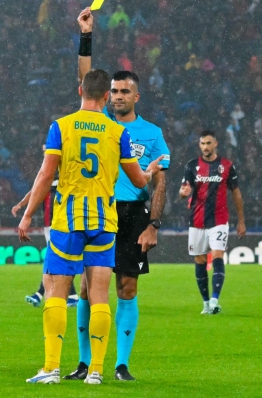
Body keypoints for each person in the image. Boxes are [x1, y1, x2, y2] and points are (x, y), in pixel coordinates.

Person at [19, 68, 162, 385]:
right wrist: (150, 172)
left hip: (68, 219)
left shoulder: (63, 127)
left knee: (56, 288)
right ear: (106, 96)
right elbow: (138, 181)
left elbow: (45, 175)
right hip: (104, 221)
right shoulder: (117, 132)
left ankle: (51, 368)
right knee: (99, 294)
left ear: (79, 89)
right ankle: (96, 371)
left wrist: (27, 214)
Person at [65, 8, 171, 382]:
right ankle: (83, 362)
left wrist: (154, 225)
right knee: (86, 286)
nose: (118, 96)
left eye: (125, 91)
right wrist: (86, 37)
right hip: (99, 210)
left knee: (127, 286)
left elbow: (160, 182)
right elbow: (85, 78)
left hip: (133, 216)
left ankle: (121, 364)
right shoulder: (102, 123)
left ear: (137, 96)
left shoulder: (152, 133)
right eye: (114, 91)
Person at [179, 130, 246, 315]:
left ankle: (215, 299)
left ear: (215, 143)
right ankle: (206, 303)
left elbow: (236, 193)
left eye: (208, 143)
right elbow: (184, 190)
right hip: (197, 220)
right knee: (200, 260)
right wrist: (182, 194)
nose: (205, 147)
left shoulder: (226, 165)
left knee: (217, 257)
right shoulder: (192, 166)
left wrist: (241, 221)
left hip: (219, 220)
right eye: (202, 144)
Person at [12, 151, 79, 308]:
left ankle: (46, 295)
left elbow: (37, 189)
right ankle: (49, 295)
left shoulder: (61, 175)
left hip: (60, 224)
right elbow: (35, 191)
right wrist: (21, 205)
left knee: (56, 259)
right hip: (51, 224)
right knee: (57, 259)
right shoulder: (54, 175)